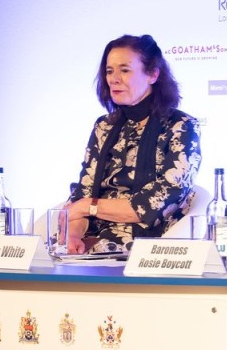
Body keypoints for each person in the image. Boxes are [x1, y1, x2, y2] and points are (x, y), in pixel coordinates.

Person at [65, 34, 201, 254]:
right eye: (109, 71)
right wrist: (72, 236)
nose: (113, 79)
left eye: (125, 70)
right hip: (93, 236)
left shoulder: (181, 126)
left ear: (153, 74)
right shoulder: (104, 126)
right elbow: (83, 193)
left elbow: (158, 201)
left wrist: (89, 207)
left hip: (145, 242)